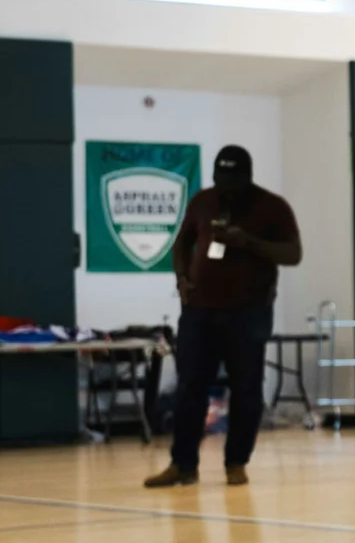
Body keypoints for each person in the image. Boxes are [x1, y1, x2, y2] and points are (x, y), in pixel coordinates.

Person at [144, 145, 303, 488]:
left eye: (233, 179)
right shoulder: (203, 201)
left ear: (247, 176)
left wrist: (248, 242)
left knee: (246, 390)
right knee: (190, 388)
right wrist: (183, 282)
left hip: (249, 313)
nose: (225, 186)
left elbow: (293, 253)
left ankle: (236, 463)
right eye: (220, 177)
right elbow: (182, 244)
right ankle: (183, 464)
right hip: (199, 313)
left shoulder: (272, 206)